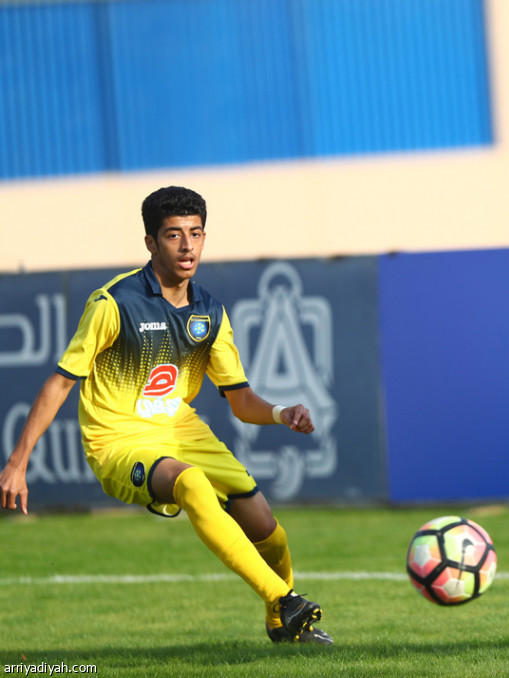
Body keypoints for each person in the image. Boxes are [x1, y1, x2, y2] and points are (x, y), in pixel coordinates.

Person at [0, 186, 331, 645]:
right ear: (151, 243)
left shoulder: (209, 312)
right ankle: (286, 600)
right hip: (117, 441)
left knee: (268, 531)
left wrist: (281, 412)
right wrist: (18, 463)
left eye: (195, 234)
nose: (187, 246)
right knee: (191, 482)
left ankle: (282, 626)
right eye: (174, 235)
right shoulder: (114, 303)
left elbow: (239, 400)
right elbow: (60, 382)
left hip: (180, 431)